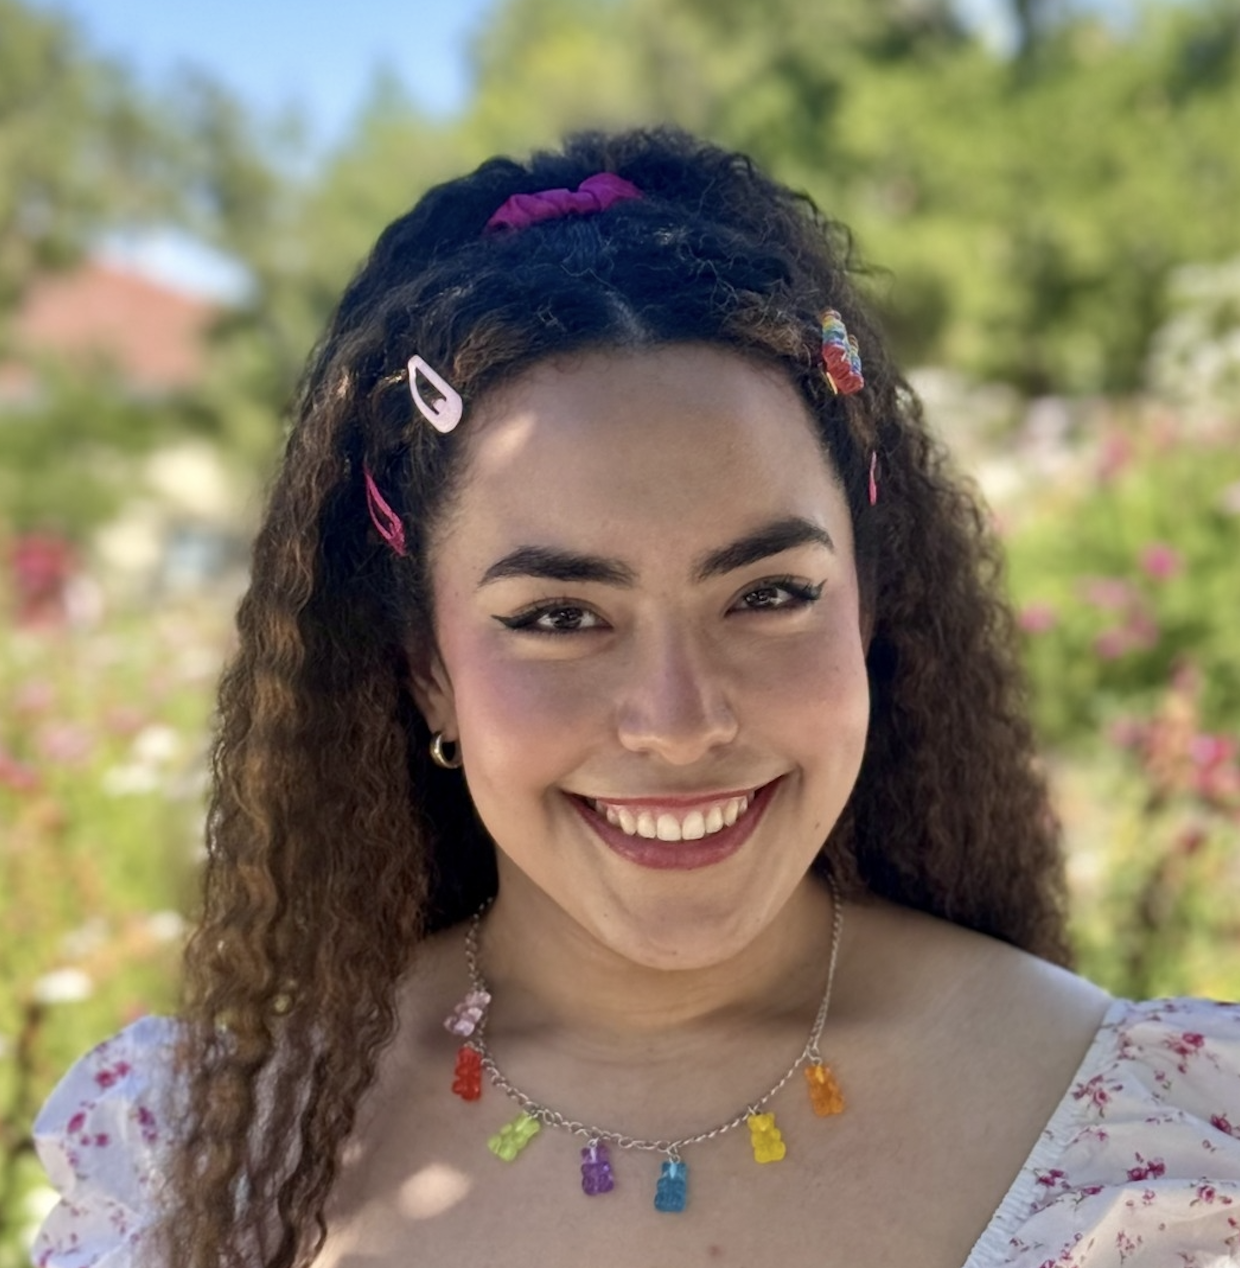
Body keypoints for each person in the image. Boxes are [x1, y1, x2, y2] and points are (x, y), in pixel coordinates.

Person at [31, 127, 1240, 1268]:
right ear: (425, 670)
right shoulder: (189, 1154)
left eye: (768, 594)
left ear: (869, 610)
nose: (678, 719)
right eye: (559, 616)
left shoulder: (1165, 1135)